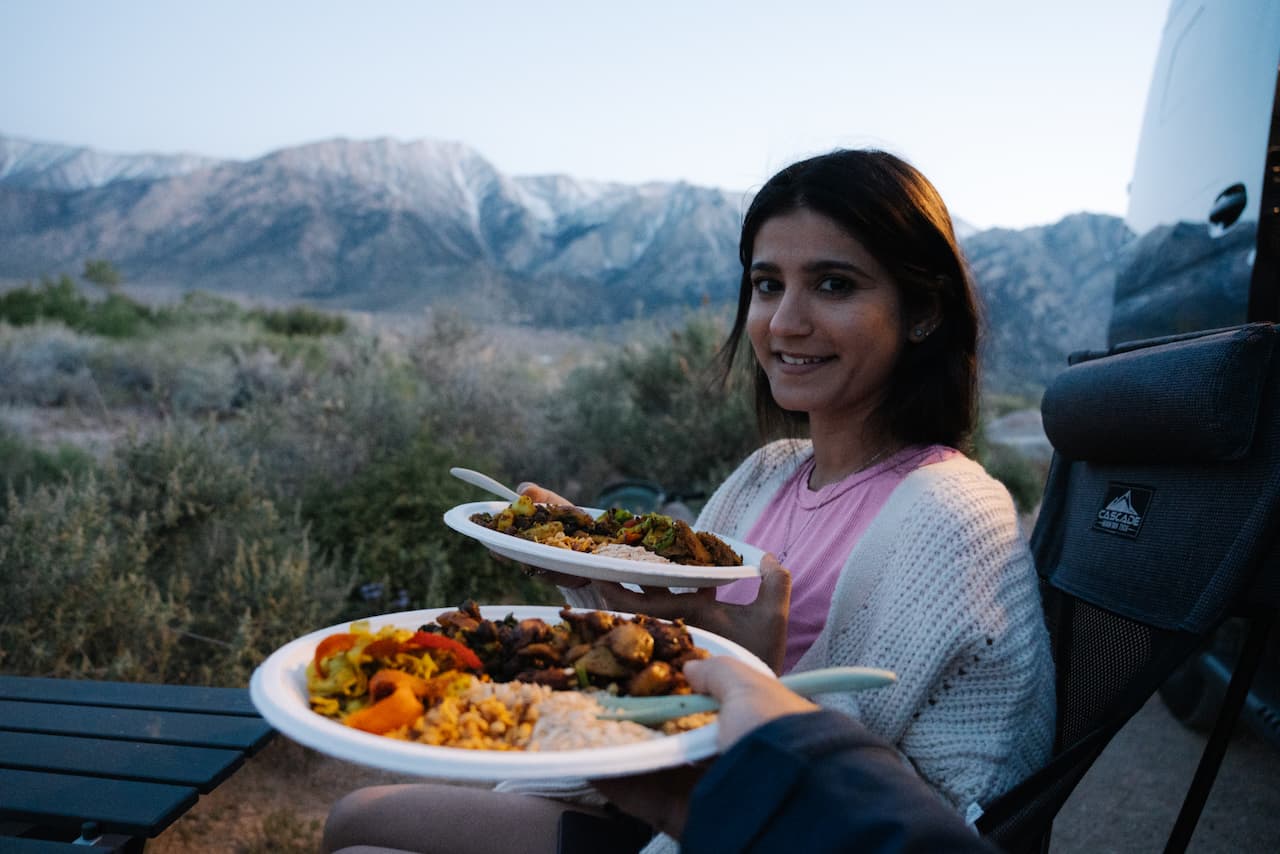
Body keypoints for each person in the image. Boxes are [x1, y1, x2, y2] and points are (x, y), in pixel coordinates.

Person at [322, 148, 1055, 853]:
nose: (784, 322)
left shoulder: (951, 515)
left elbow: (917, 795)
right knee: (355, 816)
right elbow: (665, 640)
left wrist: (758, 672)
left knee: (364, 841)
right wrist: (574, 553)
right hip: (659, 789)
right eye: (768, 285)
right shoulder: (770, 474)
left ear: (923, 311)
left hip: (750, 826)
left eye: (834, 284)